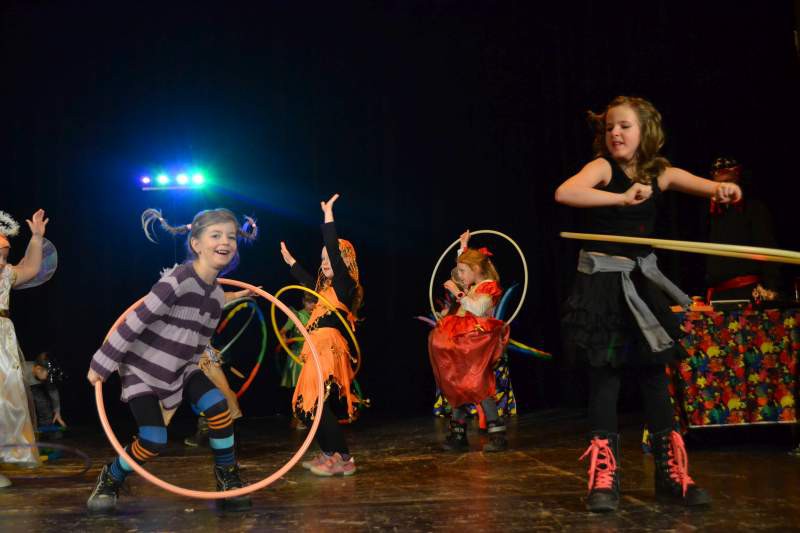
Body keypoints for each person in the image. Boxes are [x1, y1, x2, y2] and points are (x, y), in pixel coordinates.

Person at [556, 96, 740, 512]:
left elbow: (707, 187)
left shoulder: (661, 173)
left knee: (655, 376)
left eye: (625, 126)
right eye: (609, 127)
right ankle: (604, 480)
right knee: (606, 378)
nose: (615, 133)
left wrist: (723, 189)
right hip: (603, 288)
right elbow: (565, 192)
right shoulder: (603, 169)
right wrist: (621, 199)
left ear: (646, 132)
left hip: (641, 286)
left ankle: (671, 475)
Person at [86, 208, 256, 513]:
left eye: (231, 237)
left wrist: (194, 377)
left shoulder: (217, 296)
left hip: (181, 368)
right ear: (196, 244)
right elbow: (136, 319)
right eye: (216, 235)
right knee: (153, 441)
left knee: (218, 406)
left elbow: (200, 338)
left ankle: (228, 479)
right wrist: (103, 363)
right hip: (143, 369)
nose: (225, 242)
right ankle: (111, 477)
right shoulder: (178, 279)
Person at [279, 194, 364, 476]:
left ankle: (344, 458)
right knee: (306, 407)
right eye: (323, 258)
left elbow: (334, 253)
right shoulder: (324, 290)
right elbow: (307, 281)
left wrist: (328, 218)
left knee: (314, 404)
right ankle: (330, 454)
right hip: (315, 348)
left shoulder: (344, 285)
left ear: (343, 261)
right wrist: (292, 262)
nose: (326, 261)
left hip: (328, 348)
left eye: (331, 257)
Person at [429, 230, 510, 452]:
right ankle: (458, 434)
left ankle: (497, 434)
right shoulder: (473, 283)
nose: (459, 275)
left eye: (463, 271)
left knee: (477, 384)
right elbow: (465, 270)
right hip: (464, 341)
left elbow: (477, 309)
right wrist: (463, 247)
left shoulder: (488, 286)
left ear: (475, 270)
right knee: (459, 383)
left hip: (478, 342)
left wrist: (458, 293)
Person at [0, 209, 50, 489]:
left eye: (5, 256)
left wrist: (36, 237)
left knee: (7, 400)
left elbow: (31, 268)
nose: (2, 262)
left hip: (3, 341)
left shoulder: (6, 275)